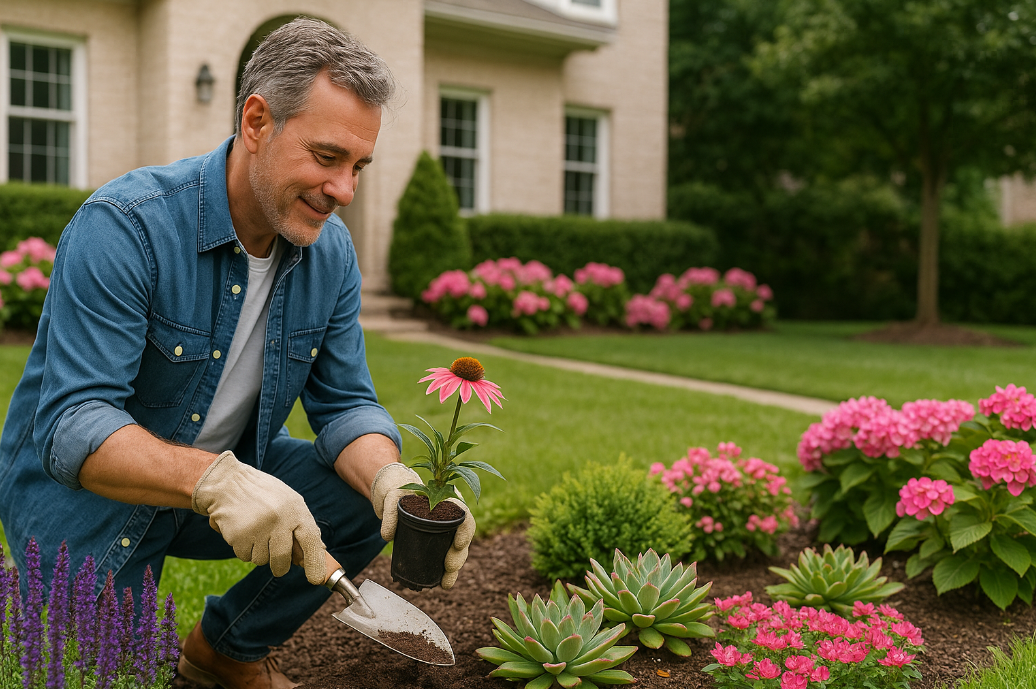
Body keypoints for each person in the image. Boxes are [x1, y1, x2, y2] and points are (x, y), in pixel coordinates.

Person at [0, 17, 474, 689]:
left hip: (227, 484)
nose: (344, 189)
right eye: (327, 156)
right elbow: (72, 427)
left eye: (358, 166)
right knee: (112, 672)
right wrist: (215, 480)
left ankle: (225, 650)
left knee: (361, 495)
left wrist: (389, 480)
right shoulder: (127, 226)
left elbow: (345, 403)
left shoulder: (329, 253)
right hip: (83, 498)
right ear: (258, 122)